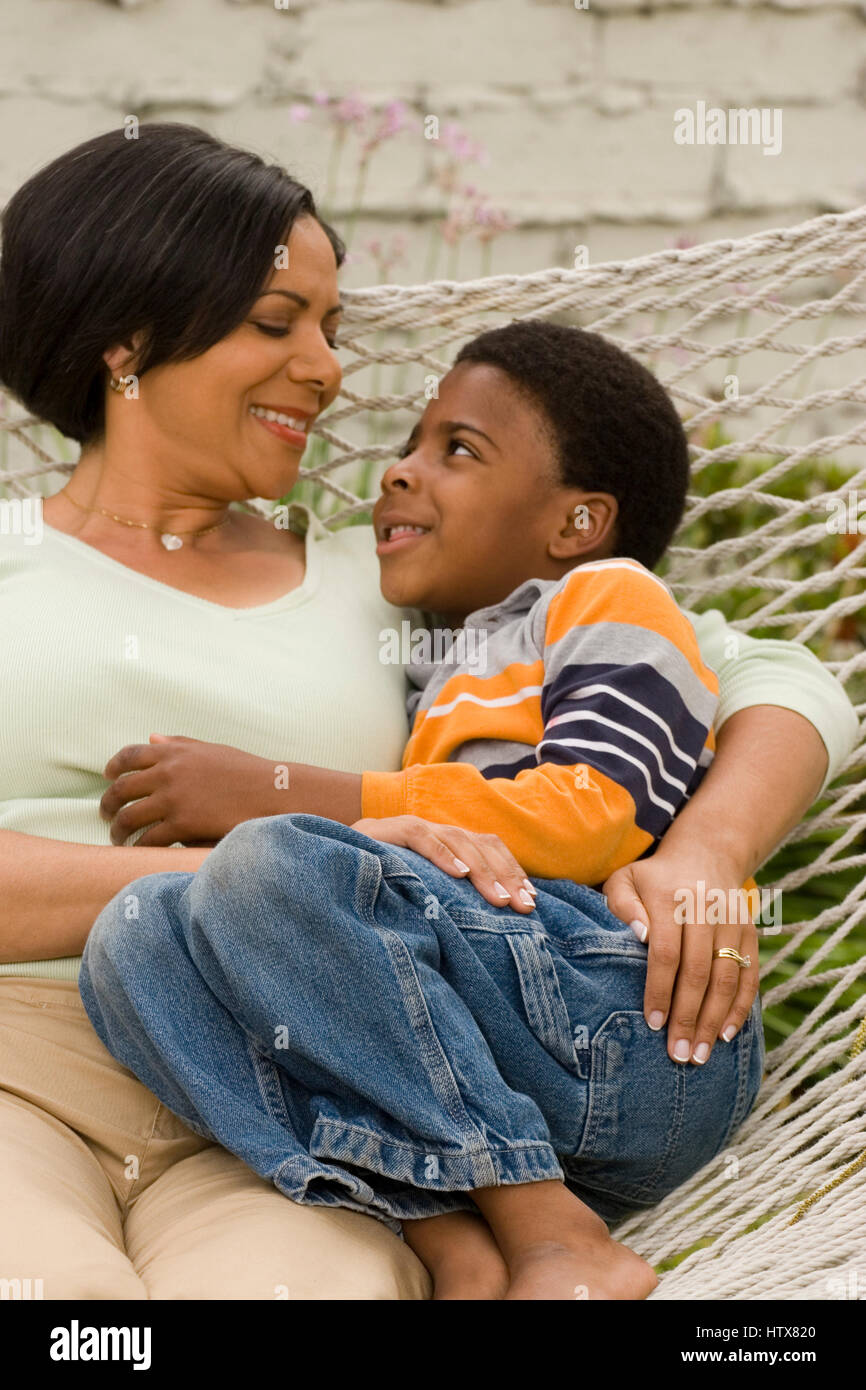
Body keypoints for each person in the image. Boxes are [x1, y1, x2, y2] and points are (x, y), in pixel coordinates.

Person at [0, 123, 856, 1300]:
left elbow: (772, 674)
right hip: (22, 1067)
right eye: (274, 320)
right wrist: (249, 863)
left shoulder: (403, 575)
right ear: (128, 340)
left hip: (315, 1093)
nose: (328, 368)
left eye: (331, 329)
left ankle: (502, 1228)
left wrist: (705, 848)